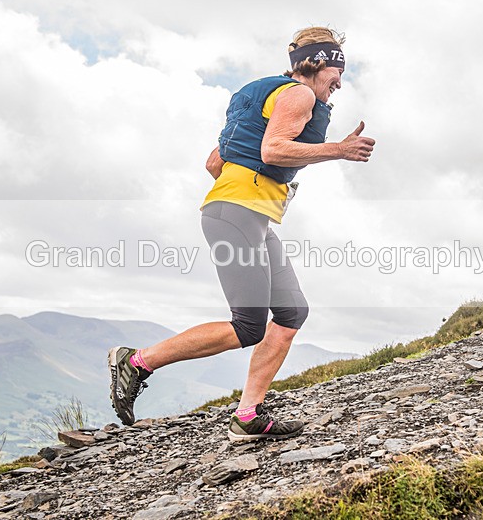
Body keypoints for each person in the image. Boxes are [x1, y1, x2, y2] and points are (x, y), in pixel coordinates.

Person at [109, 26, 375, 442]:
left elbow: (214, 162)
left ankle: (248, 415)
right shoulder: (299, 94)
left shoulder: (265, 96)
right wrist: (337, 150)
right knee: (248, 325)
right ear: (319, 63)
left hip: (246, 212)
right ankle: (138, 361)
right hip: (238, 212)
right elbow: (273, 151)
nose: (340, 82)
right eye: (337, 72)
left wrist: (248, 183)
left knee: (290, 313)